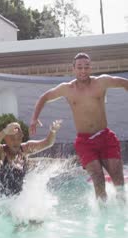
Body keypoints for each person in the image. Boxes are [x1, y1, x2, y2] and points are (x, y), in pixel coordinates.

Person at [30, 52, 128, 203]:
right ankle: (103, 214)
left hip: (105, 137)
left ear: (91, 68)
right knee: (98, 178)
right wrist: (34, 118)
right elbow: (44, 97)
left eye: (86, 67)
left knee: (118, 179)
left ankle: (122, 211)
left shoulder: (101, 82)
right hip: (85, 141)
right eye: (80, 67)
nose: (83, 70)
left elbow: (123, 83)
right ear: (73, 69)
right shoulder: (67, 89)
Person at [0, 121, 62, 199]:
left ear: (22, 137)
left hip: (18, 202)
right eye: (12, 138)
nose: (15, 142)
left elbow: (48, 143)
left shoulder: (25, 148)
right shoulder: (1, 151)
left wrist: (53, 131)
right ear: (5, 138)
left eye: (18, 138)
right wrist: (5, 131)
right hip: (0, 202)